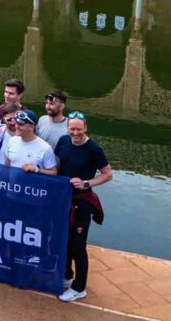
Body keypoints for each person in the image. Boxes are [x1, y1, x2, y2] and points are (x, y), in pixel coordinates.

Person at [55, 113, 113, 303]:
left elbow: (107, 174)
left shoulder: (93, 148)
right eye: (72, 129)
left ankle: (79, 288)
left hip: (82, 202)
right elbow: (57, 166)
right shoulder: (63, 142)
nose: (76, 133)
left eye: (79, 129)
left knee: (78, 246)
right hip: (64, 200)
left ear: (86, 128)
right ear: (67, 128)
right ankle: (66, 275)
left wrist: (88, 183)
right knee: (64, 239)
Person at [3, 110, 58, 175]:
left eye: (21, 124)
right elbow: (7, 164)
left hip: (32, 185)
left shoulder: (45, 148)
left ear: (31, 127)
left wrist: (37, 169)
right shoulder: (11, 141)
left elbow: (54, 172)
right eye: (16, 123)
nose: (16, 126)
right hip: (13, 184)